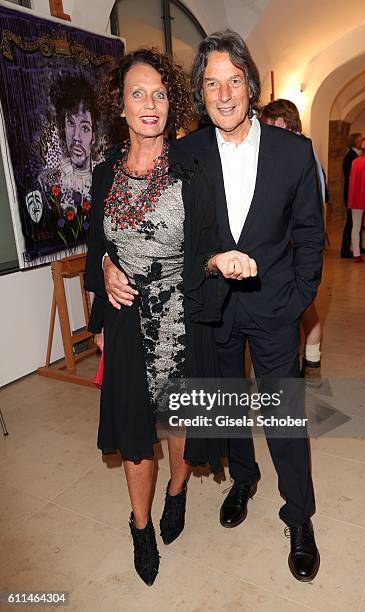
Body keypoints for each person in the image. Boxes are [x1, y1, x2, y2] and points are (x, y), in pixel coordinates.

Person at [104, 30, 324, 582]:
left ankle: (299, 517)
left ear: (249, 84)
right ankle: (243, 478)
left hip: (275, 311)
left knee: (283, 418)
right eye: (210, 83)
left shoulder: (294, 152)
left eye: (233, 81)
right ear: (200, 95)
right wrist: (108, 260)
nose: (223, 94)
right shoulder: (186, 153)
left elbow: (311, 237)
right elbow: (138, 219)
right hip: (210, 311)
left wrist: (297, 300)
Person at [84, 48, 257, 587]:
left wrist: (218, 259)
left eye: (159, 93)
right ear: (121, 105)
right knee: (137, 431)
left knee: (178, 423)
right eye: (138, 93)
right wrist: (107, 266)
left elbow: (205, 243)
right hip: (126, 318)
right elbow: (96, 248)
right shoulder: (104, 172)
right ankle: (140, 526)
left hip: (182, 318)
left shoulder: (191, 169)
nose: (150, 104)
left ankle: (177, 493)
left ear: (172, 102)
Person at [261, 99, 324, 387]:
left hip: (296, 252)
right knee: (304, 310)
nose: (266, 128)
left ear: (286, 122)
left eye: (272, 123)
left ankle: (310, 364)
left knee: (303, 306)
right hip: (285, 253)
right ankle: (310, 363)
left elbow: (312, 209)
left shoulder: (300, 153)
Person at [39, 75, 100, 211]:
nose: (76, 137)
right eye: (71, 123)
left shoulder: (104, 178)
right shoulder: (51, 182)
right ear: (63, 129)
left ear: (94, 137)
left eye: (85, 128)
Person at [340, 132, 365, 258]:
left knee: (359, 222)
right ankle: (345, 250)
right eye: (361, 140)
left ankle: (358, 247)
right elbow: (350, 177)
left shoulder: (357, 155)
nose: (363, 142)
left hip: (359, 194)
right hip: (352, 194)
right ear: (356, 141)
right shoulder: (350, 156)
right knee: (351, 223)